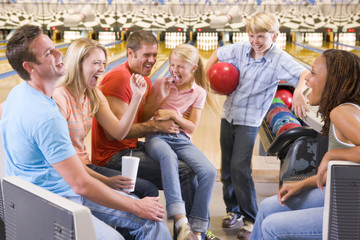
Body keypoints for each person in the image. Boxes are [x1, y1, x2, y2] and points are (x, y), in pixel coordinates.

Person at [1, 24, 171, 240]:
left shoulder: (18, 93)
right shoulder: (48, 115)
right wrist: (136, 207)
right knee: (147, 221)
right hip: (58, 200)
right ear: (30, 67)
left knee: (145, 212)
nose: (58, 53)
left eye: (55, 47)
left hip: (34, 194)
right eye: (48, 53)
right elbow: (80, 184)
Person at [204, 11, 309, 239]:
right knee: (227, 168)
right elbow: (217, 54)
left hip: (249, 122)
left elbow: (305, 74)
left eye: (261, 36)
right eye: (252, 35)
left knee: (240, 169)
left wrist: (299, 91)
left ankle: (251, 217)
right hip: (228, 115)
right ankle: (233, 210)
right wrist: (209, 79)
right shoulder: (241, 48)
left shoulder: (279, 58)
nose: (255, 41)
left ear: (275, 36)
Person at [249, 49, 360, 239]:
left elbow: (342, 161)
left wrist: (332, 155)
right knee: (268, 206)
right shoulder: (347, 109)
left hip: (351, 208)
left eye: (314, 72)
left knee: (271, 227)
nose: (307, 78)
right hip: (346, 193)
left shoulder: (340, 113)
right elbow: (346, 170)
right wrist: (302, 184)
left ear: (334, 80)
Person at [91, 30, 196, 215]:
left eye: (155, 55)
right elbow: (115, 133)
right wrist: (155, 126)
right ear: (130, 53)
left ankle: (189, 225)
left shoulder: (144, 79)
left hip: (129, 148)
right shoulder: (119, 78)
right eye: (146, 55)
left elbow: (140, 118)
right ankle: (189, 228)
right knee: (186, 172)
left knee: (190, 163)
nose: (152, 60)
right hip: (112, 157)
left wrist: (158, 99)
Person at [53, 38, 158, 199]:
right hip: (68, 172)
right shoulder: (59, 97)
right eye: (96, 63)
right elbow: (62, 158)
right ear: (78, 63)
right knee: (146, 190)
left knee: (144, 188)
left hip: (85, 166)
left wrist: (137, 96)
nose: (102, 69)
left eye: (103, 63)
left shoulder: (94, 95)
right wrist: (106, 181)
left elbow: (119, 132)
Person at [143, 44, 218, 240]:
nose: (174, 70)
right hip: (156, 136)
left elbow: (191, 127)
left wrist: (173, 115)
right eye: (172, 65)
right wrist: (161, 96)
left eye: (180, 66)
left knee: (208, 172)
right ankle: (180, 220)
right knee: (169, 157)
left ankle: (198, 229)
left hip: (181, 138)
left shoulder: (198, 92)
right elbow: (144, 115)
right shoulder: (161, 82)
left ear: (193, 68)